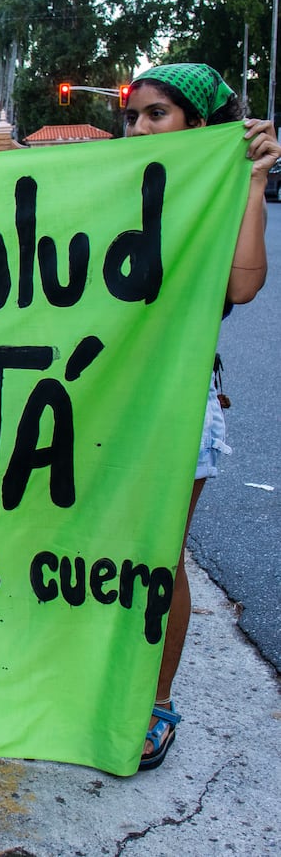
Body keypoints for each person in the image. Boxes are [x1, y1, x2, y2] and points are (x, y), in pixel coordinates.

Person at [123, 63, 277, 770]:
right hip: (106, 403)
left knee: (158, 556)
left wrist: (250, 183)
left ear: (200, 126)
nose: (141, 128)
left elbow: (242, 287)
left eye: (157, 114)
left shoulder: (219, 198)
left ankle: (156, 702)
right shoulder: (118, 187)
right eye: (134, 116)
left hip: (180, 402)